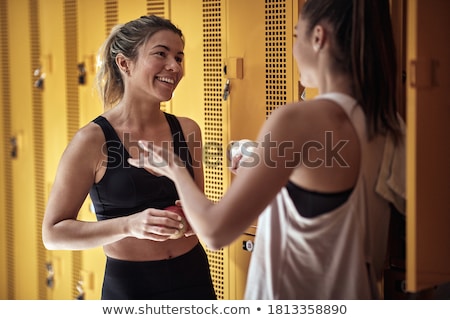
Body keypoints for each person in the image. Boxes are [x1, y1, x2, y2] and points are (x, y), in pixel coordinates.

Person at [128, 0, 406, 299]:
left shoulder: (299, 119)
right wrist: (269, 174)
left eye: (296, 35)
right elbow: (331, 209)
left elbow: (214, 232)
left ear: (318, 38)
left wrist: (174, 167)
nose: (293, 49)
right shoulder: (391, 126)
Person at [42, 15, 216, 300]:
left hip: (194, 277)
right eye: (161, 54)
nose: (175, 66)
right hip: (130, 288)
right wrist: (129, 225)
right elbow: (54, 234)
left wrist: (192, 218)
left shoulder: (187, 130)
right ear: (125, 63)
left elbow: (198, 210)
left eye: (179, 57)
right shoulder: (92, 140)